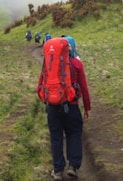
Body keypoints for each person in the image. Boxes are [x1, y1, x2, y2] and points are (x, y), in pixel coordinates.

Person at [40, 35, 91, 180]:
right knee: (74, 133)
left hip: (53, 107)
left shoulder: (48, 64)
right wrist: (87, 107)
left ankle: (57, 171)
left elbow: (41, 86)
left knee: (55, 137)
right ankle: (73, 166)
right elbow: (84, 88)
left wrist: (48, 102)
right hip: (72, 106)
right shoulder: (76, 64)